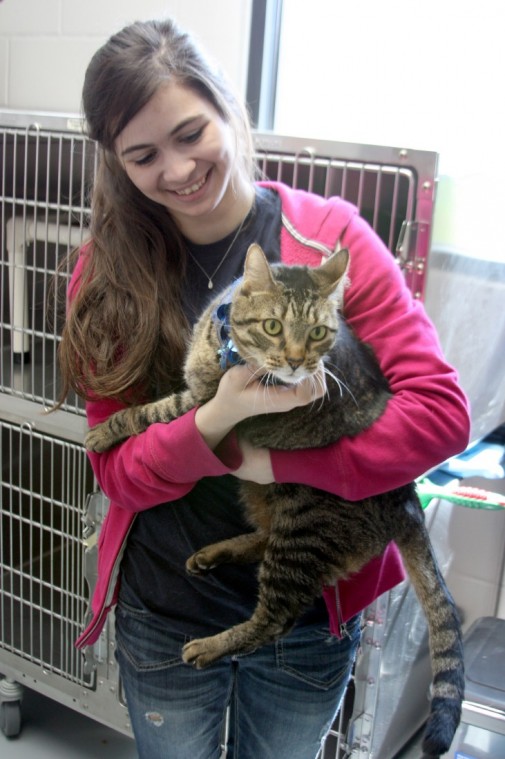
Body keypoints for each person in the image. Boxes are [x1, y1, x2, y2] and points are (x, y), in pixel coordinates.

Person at [57, 18, 470, 759]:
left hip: (308, 618)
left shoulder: (327, 241)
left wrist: (276, 465)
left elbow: (439, 414)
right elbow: (115, 469)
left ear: (230, 112)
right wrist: (216, 419)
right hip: (165, 606)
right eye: (143, 155)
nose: (177, 170)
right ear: (117, 162)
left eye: (191, 133)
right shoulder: (107, 272)